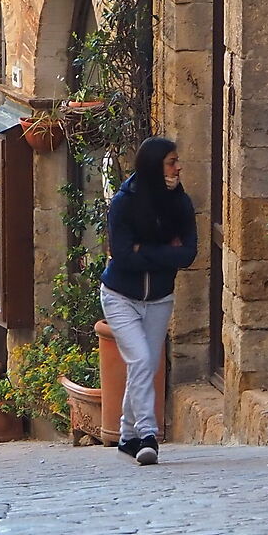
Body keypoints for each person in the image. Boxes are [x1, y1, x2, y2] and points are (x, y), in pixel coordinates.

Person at [99, 136, 196, 465]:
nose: (178, 167)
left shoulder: (180, 204)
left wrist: (147, 251)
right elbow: (123, 256)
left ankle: (126, 436)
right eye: (171, 162)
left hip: (158, 299)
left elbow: (188, 254)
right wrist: (165, 252)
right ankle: (147, 435)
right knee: (141, 361)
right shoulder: (124, 203)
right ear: (154, 167)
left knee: (145, 365)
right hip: (120, 297)